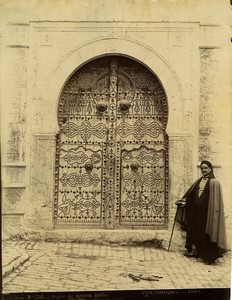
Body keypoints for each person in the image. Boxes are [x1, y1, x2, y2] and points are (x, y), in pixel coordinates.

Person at [175, 160, 227, 264]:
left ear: (210, 169)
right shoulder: (198, 181)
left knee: (205, 233)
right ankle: (196, 252)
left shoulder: (214, 182)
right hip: (196, 211)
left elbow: (216, 202)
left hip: (207, 213)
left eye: (205, 168)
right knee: (194, 230)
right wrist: (184, 201)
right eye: (202, 168)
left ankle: (206, 256)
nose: (203, 170)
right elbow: (192, 195)